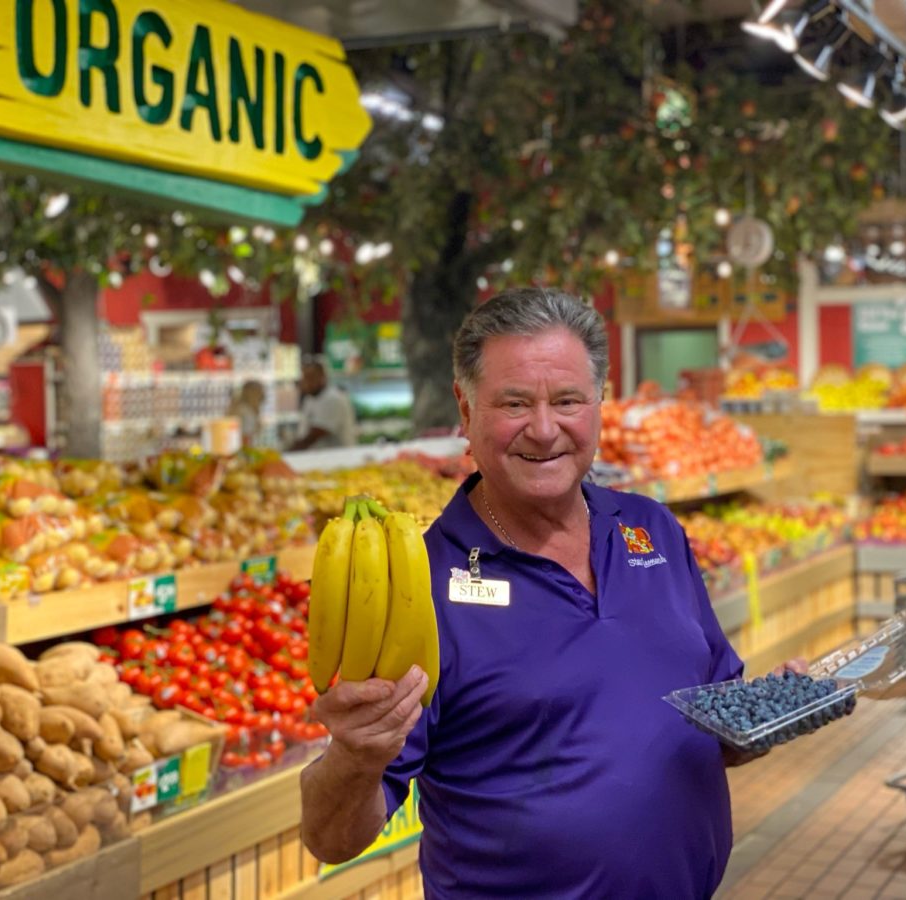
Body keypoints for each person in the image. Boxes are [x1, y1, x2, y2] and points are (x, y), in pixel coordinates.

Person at [300, 288, 805, 897]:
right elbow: (331, 839)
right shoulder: (419, 587)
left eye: (568, 400)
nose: (544, 430)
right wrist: (355, 757)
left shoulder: (654, 530)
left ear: (599, 404)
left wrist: (768, 714)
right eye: (514, 403)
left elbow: (709, 731)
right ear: (465, 410)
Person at [290, 360, 356, 450]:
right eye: (304, 378)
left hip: (336, 459)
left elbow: (313, 436)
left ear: (322, 377)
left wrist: (288, 453)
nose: (306, 383)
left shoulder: (333, 398)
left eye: (310, 378)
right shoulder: (310, 399)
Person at [227, 380, 266, 449]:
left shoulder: (239, 407)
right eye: (261, 392)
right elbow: (245, 437)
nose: (264, 396)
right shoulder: (245, 411)